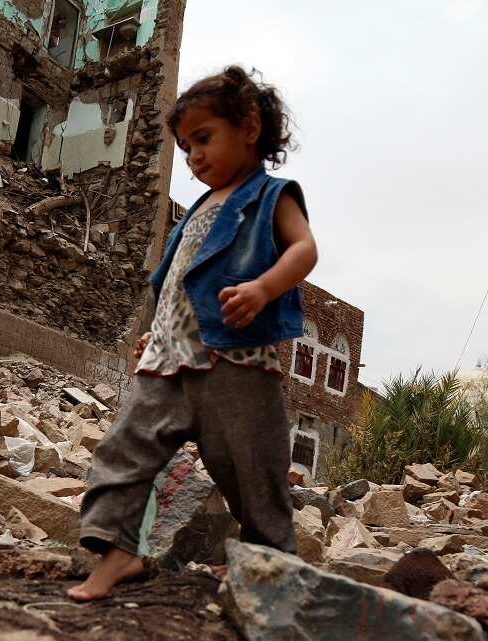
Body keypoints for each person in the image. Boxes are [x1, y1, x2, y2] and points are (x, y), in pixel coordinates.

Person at [67, 66, 318, 602]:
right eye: (185, 148)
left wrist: (263, 288)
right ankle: (119, 555)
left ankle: (268, 568)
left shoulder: (271, 196)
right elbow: (181, 284)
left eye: (204, 139)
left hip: (236, 362)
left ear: (249, 127)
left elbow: (305, 250)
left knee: (254, 473)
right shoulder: (197, 210)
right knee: (123, 452)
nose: (194, 157)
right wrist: (158, 331)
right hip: (168, 359)